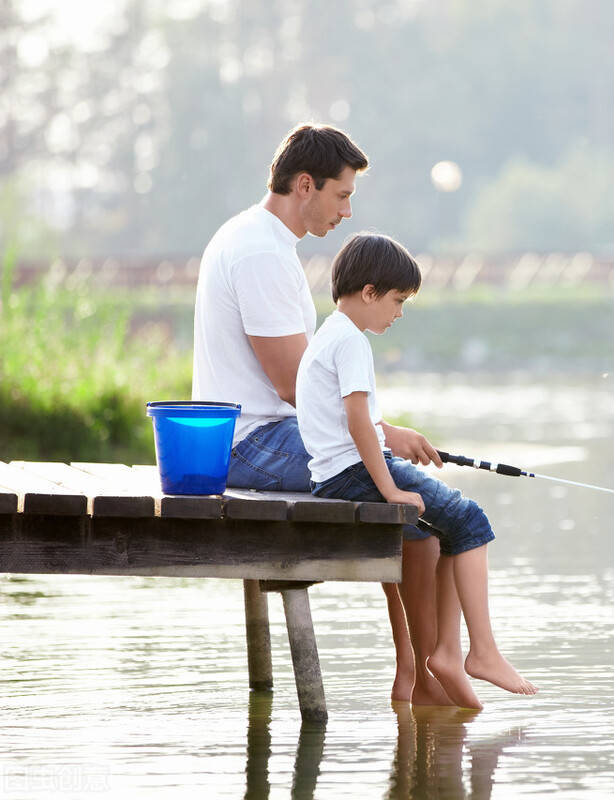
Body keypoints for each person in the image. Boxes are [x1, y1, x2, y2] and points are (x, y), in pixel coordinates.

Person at [192, 123, 449, 705]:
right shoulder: (260, 252)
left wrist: (381, 437)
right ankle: (419, 672)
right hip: (251, 444)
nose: (348, 211)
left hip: (257, 434)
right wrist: (382, 435)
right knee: (410, 496)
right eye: (341, 194)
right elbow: (293, 386)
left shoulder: (256, 238)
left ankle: (416, 668)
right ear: (304, 185)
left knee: (400, 487)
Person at [297, 232, 537, 709]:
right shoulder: (351, 343)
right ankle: (480, 652)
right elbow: (358, 423)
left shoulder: (329, 334)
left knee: (451, 529)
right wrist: (388, 488)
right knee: (472, 521)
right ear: (368, 292)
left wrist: (393, 454)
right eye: (396, 300)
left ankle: (447, 655)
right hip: (356, 474)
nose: (399, 312)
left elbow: (355, 424)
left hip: (334, 474)